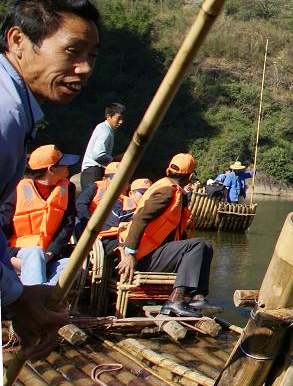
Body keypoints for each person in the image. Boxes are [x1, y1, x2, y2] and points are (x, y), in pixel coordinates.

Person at [0, 0, 98, 358]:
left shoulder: (17, 112)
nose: (85, 68)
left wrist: (19, 294)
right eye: (73, 52)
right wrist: (16, 297)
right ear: (18, 41)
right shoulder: (5, 114)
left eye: (92, 55)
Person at [116, 153, 214, 316]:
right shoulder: (167, 191)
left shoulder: (175, 191)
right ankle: (175, 300)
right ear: (189, 176)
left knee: (206, 246)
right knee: (199, 245)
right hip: (143, 256)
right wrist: (130, 253)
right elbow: (140, 218)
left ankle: (198, 296)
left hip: (157, 252)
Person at [2, 145, 78, 287]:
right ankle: (34, 304)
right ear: (51, 169)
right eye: (64, 164)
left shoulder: (68, 189)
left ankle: (42, 299)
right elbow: (2, 227)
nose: (68, 166)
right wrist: (9, 257)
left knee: (70, 265)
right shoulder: (16, 189)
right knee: (35, 253)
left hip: (49, 256)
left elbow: (67, 226)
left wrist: (50, 253)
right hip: (17, 255)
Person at [79, 103, 125, 197]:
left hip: (92, 172)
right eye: (118, 118)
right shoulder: (105, 130)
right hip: (93, 172)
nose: (121, 122)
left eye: (122, 119)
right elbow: (97, 154)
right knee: (94, 203)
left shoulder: (105, 129)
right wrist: (113, 160)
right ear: (108, 116)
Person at [74, 160, 118, 237]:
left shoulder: (126, 193)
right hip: (91, 227)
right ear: (105, 179)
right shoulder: (94, 187)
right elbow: (80, 204)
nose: (118, 182)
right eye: (114, 179)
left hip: (114, 230)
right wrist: (90, 222)